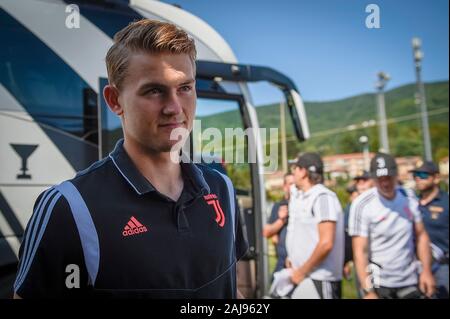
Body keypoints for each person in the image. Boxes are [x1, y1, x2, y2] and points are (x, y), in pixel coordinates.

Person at [13, 19, 248, 299]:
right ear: (114, 100)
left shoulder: (222, 189)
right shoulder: (68, 209)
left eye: (185, 87)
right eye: (154, 91)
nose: (174, 108)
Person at [349, 153, 435, 299]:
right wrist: (368, 291)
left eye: (388, 178)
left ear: (396, 176)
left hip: (409, 279)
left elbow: (421, 235)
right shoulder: (362, 205)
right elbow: (360, 251)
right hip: (379, 282)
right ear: (373, 180)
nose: (385, 183)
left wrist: (426, 271)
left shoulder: (409, 197)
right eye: (379, 179)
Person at [286, 153, 345, 299]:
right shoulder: (306, 196)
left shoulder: (323, 197)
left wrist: (302, 271)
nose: (293, 172)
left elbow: (326, 243)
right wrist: (293, 257)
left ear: (304, 172)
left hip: (320, 279)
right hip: (306, 277)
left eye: (296, 168)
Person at [411, 161, 449, 299]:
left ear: (436, 178)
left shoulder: (446, 202)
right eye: (415, 175)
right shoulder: (411, 202)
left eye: (423, 175)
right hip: (415, 265)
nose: (418, 178)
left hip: (442, 266)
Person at [263, 173, 295, 276]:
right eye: (290, 184)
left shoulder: (303, 204)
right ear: (285, 186)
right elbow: (266, 232)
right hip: (282, 264)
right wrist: (281, 220)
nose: (293, 187)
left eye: (295, 184)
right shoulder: (279, 206)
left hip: (298, 263)